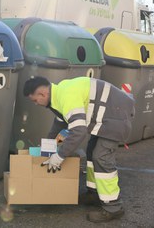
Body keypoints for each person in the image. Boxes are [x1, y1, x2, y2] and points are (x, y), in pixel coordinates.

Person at [23, 76, 135, 223]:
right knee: (91, 152)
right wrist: (47, 145)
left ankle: (114, 207)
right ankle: (94, 193)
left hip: (117, 116)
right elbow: (59, 125)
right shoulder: (58, 96)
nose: (36, 104)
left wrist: (59, 156)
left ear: (43, 94)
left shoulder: (66, 96)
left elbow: (79, 131)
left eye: (35, 100)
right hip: (108, 116)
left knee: (101, 157)